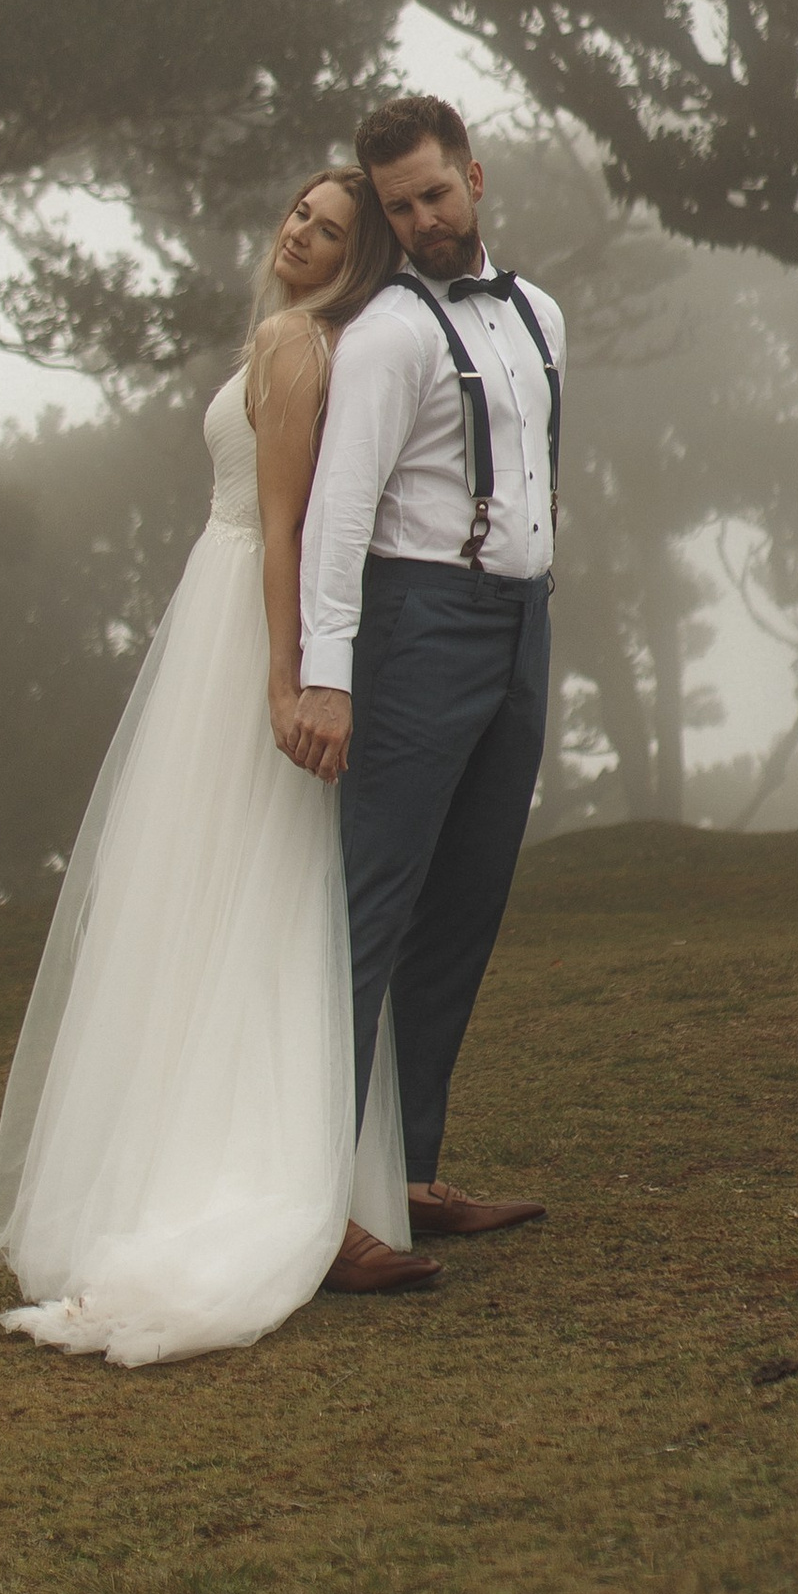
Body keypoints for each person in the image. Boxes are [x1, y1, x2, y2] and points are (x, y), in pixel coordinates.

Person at [0, 167, 437, 1369]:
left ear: (356, 256)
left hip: (245, 613)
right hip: (222, 604)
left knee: (242, 880)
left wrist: (285, 679)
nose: (298, 232)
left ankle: (242, 1173)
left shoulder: (296, 342)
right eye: (295, 212)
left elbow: (282, 523)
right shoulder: (299, 337)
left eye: (328, 230)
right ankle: (214, 1152)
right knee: (216, 887)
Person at [289, 95, 561, 1248]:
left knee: (464, 906)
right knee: (373, 914)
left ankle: (406, 1173)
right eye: (398, 207)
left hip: (518, 622)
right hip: (415, 625)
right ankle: (316, 1207)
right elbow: (339, 512)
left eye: (435, 195)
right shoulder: (389, 334)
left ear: (477, 179)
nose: (421, 222)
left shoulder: (541, 312)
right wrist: (328, 673)